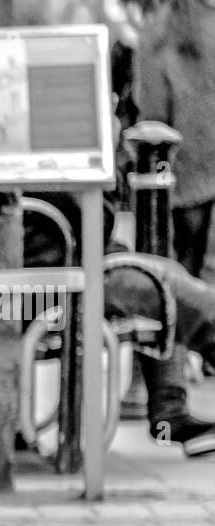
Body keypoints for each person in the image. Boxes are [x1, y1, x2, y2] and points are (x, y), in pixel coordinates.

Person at [131, 0, 215, 455]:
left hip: (173, 184)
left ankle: (168, 410)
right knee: (186, 294)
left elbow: (151, 109)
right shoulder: (184, 21)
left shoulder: (159, 27)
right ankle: (169, 412)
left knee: (167, 292)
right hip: (194, 183)